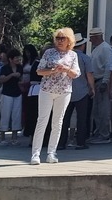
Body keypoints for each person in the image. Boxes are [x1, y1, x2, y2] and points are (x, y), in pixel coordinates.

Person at [29, 27, 80, 165]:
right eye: (57, 38)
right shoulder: (49, 52)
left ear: (69, 40)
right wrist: (52, 70)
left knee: (58, 122)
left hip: (64, 91)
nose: (59, 41)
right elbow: (39, 71)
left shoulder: (73, 55)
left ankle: (52, 153)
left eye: (62, 38)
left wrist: (66, 69)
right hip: (47, 90)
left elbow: (76, 74)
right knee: (42, 120)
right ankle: (36, 154)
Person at [60, 33, 95, 150]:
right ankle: (80, 142)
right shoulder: (85, 58)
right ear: (83, 45)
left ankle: (61, 143)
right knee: (82, 118)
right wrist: (92, 88)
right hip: (82, 91)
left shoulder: (64, 57)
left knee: (64, 118)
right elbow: (89, 74)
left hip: (66, 91)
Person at [87, 28, 112, 144]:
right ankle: (98, 132)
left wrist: (105, 81)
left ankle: (104, 135)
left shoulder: (105, 48)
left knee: (103, 110)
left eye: (91, 37)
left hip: (101, 81)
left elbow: (108, 66)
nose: (90, 40)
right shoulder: (96, 49)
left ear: (96, 37)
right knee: (96, 111)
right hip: (96, 81)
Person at [0, 49, 23, 146]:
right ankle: (2, 137)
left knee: (16, 115)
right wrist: (11, 75)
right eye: (16, 58)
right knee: (5, 114)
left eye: (18, 58)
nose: (18, 59)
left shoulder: (20, 67)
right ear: (11, 59)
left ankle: (14, 137)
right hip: (6, 93)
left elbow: (21, 79)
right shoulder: (5, 68)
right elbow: (2, 79)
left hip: (17, 93)